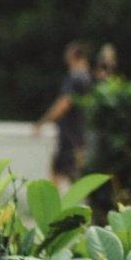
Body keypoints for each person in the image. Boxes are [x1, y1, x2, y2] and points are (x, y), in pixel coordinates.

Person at [34, 41, 95, 183]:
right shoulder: (89, 78)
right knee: (73, 175)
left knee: (58, 172)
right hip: (81, 135)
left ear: (73, 56)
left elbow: (63, 103)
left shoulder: (74, 78)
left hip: (69, 137)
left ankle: (55, 205)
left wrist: (42, 122)